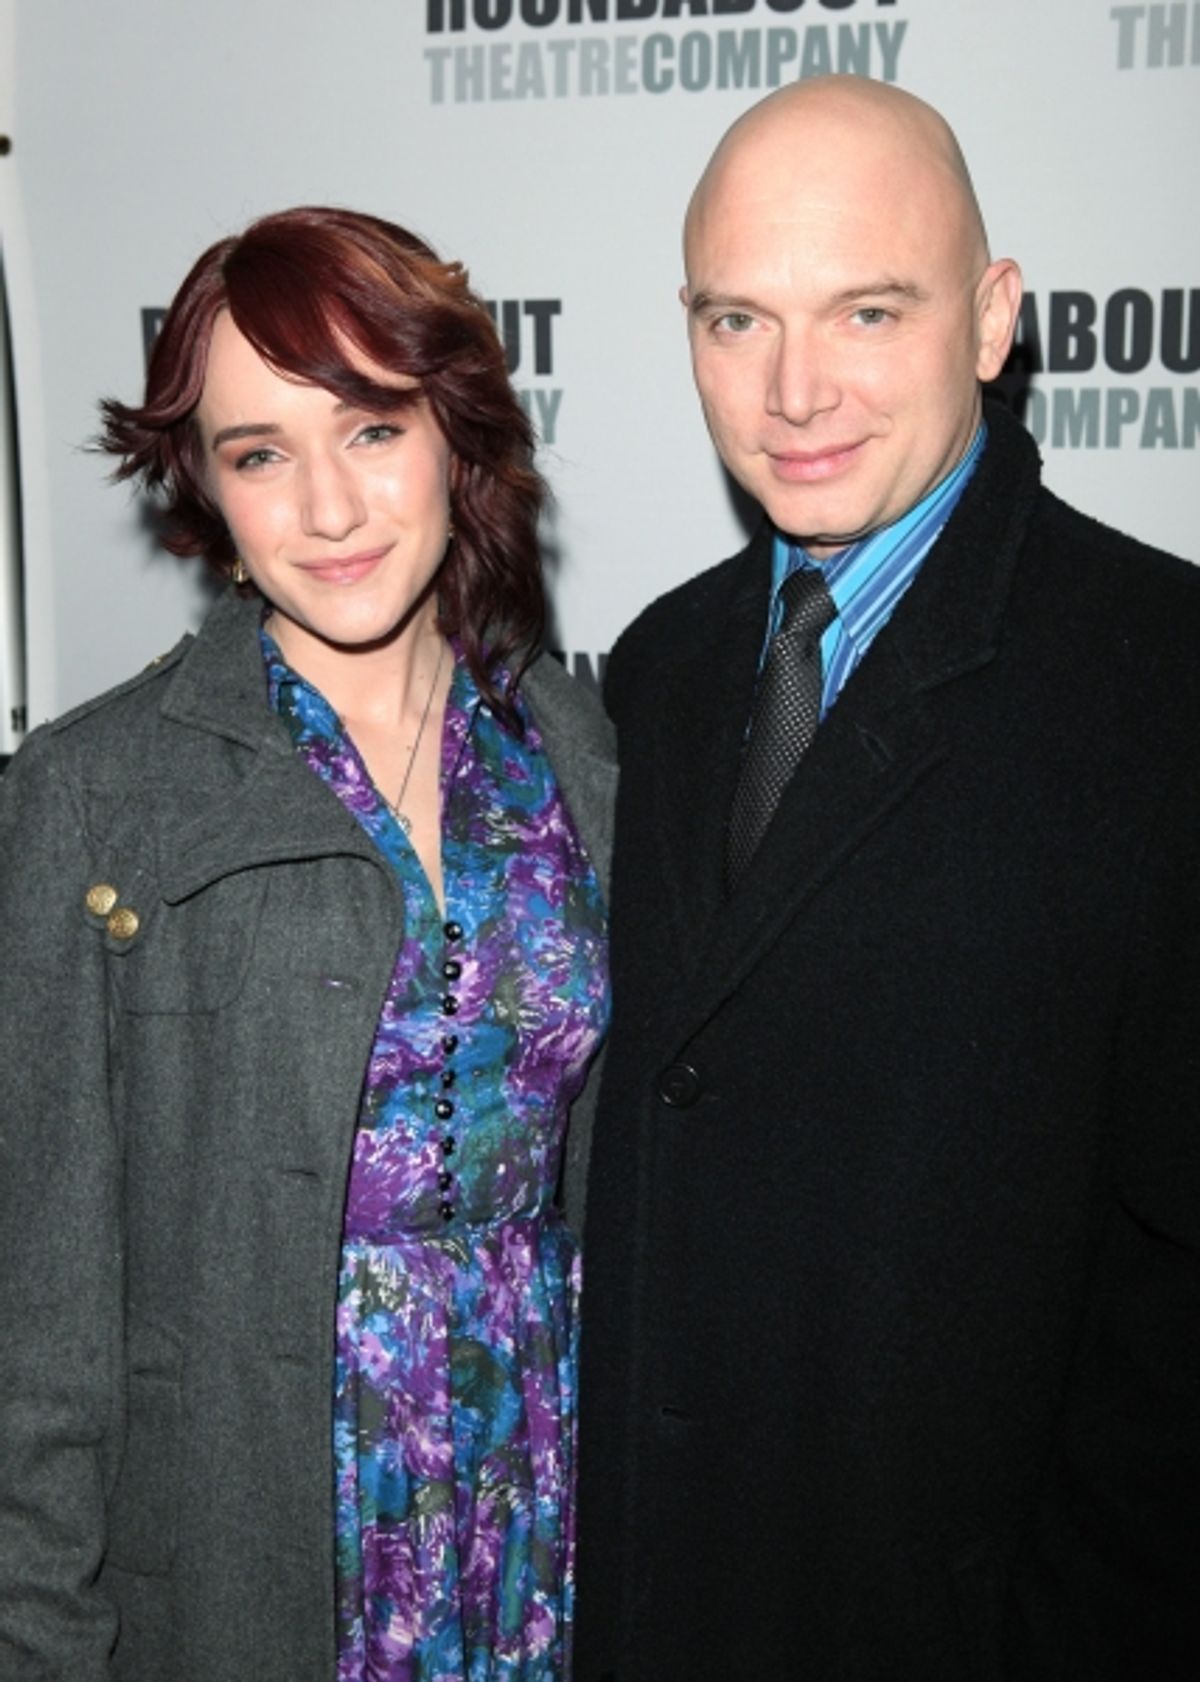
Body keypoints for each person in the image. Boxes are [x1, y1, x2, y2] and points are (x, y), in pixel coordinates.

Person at [574, 76, 1200, 1682]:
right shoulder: (655, 669)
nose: (795, 388)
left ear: (992, 319)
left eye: (866, 308)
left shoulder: (1163, 683)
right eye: (737, 319)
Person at [0, 206, 613, 1682]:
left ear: (453, 433)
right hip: (262, 1544)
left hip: (547, 1503)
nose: (326, 507)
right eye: (259, 452)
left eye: (371, 429)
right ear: (205, 486)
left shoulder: (572, 749)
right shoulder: (94, 794)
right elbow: (39, 1337)